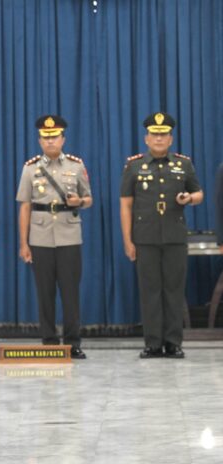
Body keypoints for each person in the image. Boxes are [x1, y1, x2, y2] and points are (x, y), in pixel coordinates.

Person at [120, 112, 203, 359]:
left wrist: (189, 198)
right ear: (146, 138)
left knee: (174, 291)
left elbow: (199, 193)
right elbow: (125, 204)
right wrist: (127, 240)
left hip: (175, 237)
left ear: (170, 138)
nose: (158, 138)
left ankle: (173, 343)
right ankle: (153, 343)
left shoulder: (183, 164)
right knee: (150, 291)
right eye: (154, 134)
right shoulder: (134, 165)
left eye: (163, 134)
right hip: (145, 238)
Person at [16, 115, 92, 359]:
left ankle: (73, 343)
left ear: (63, 139)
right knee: (44, 293)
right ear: (39, 141)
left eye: (54, 137)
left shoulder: (76, 166)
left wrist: (79, 201)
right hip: (40, 237)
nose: (50, 142)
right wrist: (24, 243)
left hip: (69, 236)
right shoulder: (30, 168)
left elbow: (88, 199)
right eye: (45, 138)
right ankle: (49, 342)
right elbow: (25, 206)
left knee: (70, 293)